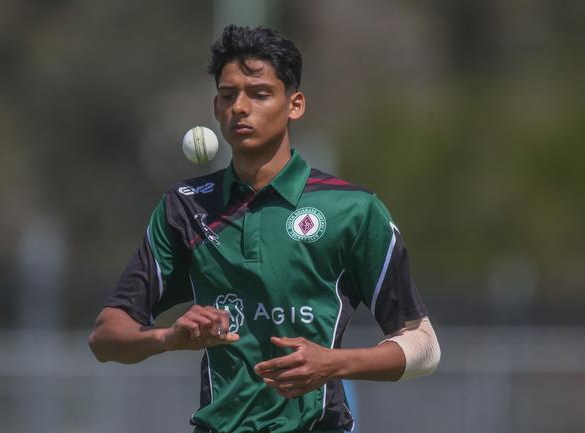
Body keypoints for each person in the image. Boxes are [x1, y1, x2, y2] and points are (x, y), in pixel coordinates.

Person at [89, 25, 441, 433]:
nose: (240, 107)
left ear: (295, 105)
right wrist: (169, 337)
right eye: (227, 96)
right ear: (216, 108)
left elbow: (424, 345)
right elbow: (106, 336)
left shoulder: (353, 210)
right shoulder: (185, 206)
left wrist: (333, 364)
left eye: (258, 94)